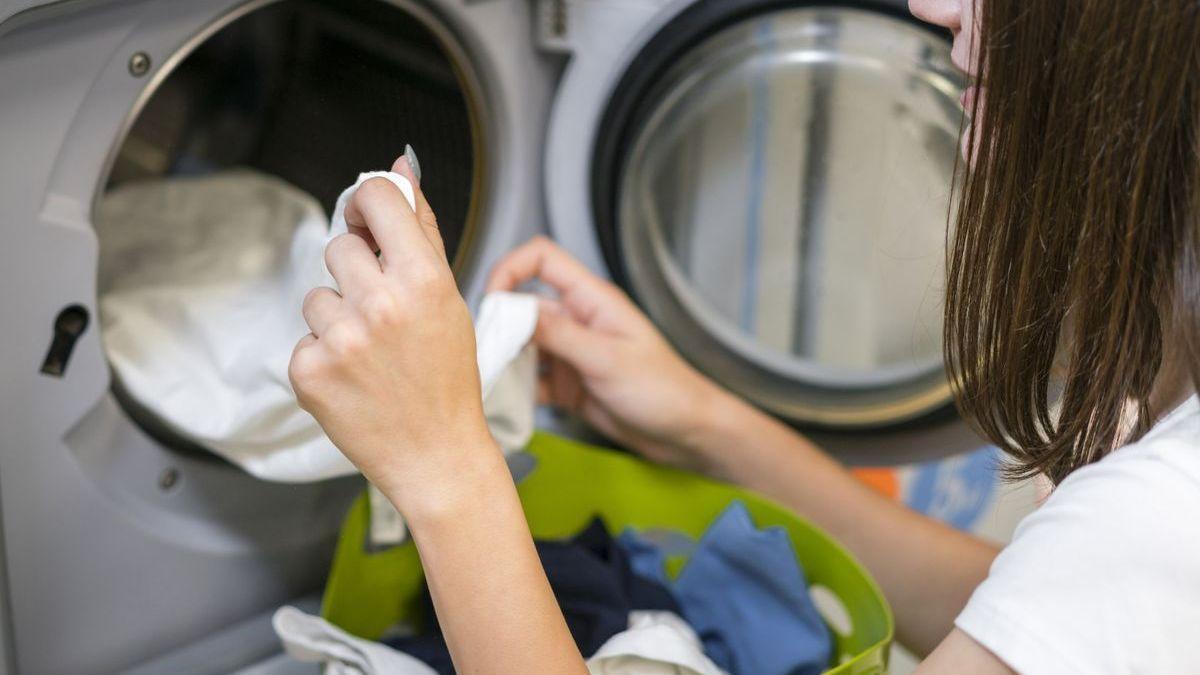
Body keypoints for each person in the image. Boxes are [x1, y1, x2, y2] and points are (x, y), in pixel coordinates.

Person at [287, 0, 1200, 672]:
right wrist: (703, 424)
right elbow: (1032, 616)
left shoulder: (1161, 514)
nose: (931, 6)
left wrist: (446, 470)